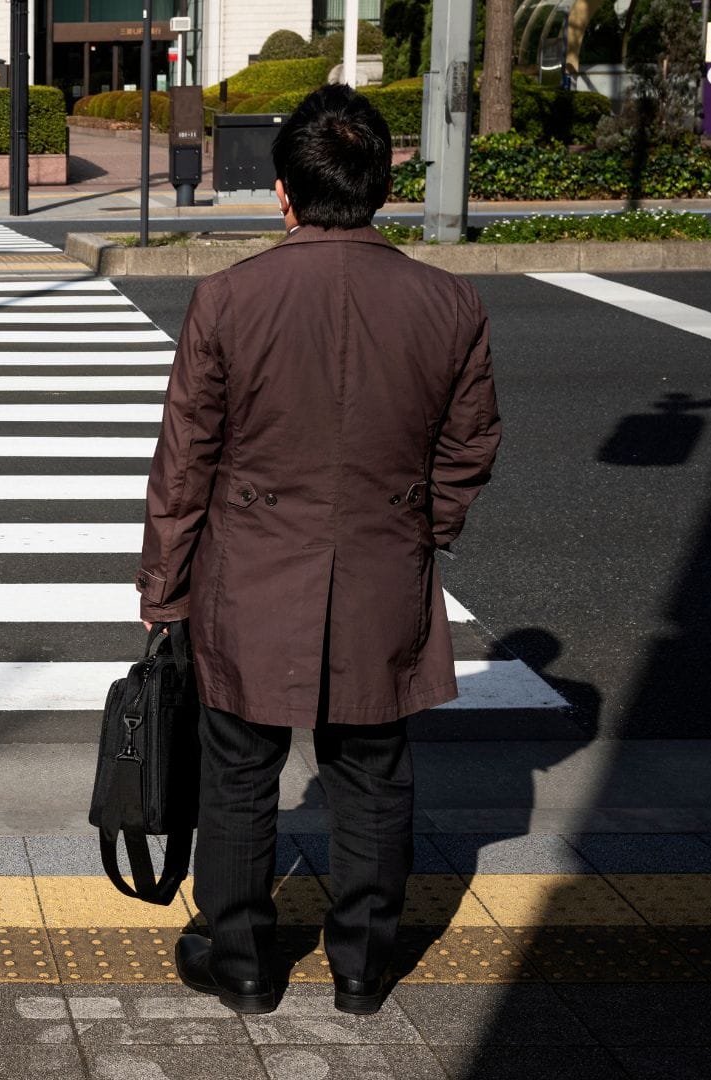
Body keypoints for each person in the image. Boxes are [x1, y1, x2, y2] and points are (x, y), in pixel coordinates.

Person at [136, 85, 500, 1017]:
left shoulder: (228, 299)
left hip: (249, 573)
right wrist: (424, 529)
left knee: (238, 769)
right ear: (382, 187)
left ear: (284, 193)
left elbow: (187, 462)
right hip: (384, 565)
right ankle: (363, 967)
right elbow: (469, 445)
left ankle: (244, 961)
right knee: (374, 771)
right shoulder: (449, 304)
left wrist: (163, 592)